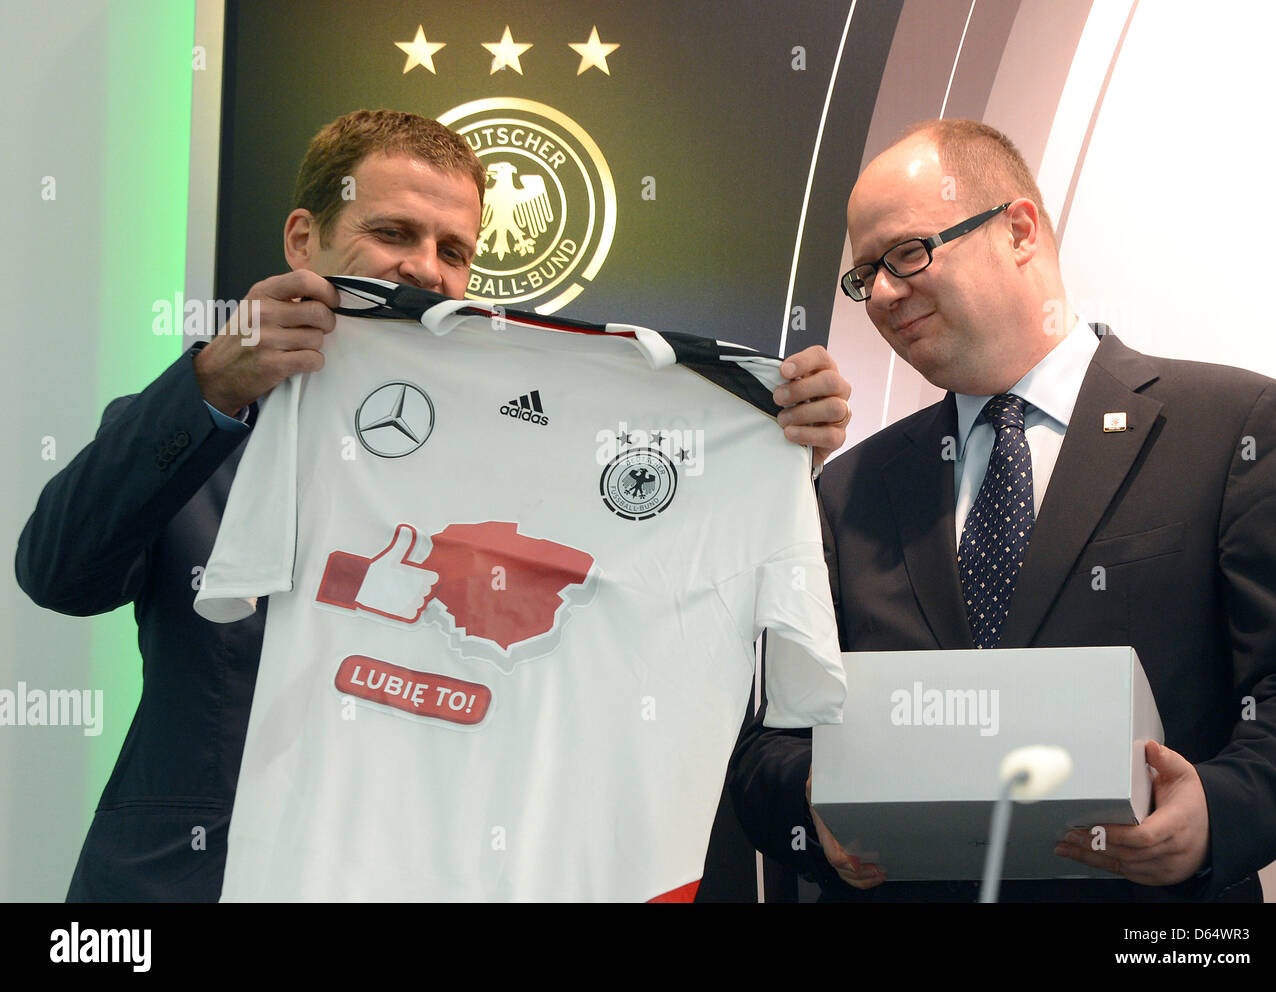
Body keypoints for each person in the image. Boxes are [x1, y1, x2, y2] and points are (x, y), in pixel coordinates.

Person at [15, 108, 853, 901]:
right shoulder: (200, 415)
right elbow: (58, 572)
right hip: (187, 882)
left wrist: (761, 448)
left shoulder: (520, 462)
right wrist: (210, 385)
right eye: (392, 234)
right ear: (305, 238)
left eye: (454, 249)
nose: (425, 268)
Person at [728, 118, 1276, 903]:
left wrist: (1218, 811)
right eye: (866, 276)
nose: (886, 293)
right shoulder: (848, 490)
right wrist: (813, 806)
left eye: (906, 253)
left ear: (1019, 229)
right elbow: (767, 742)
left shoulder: (1230, 427)